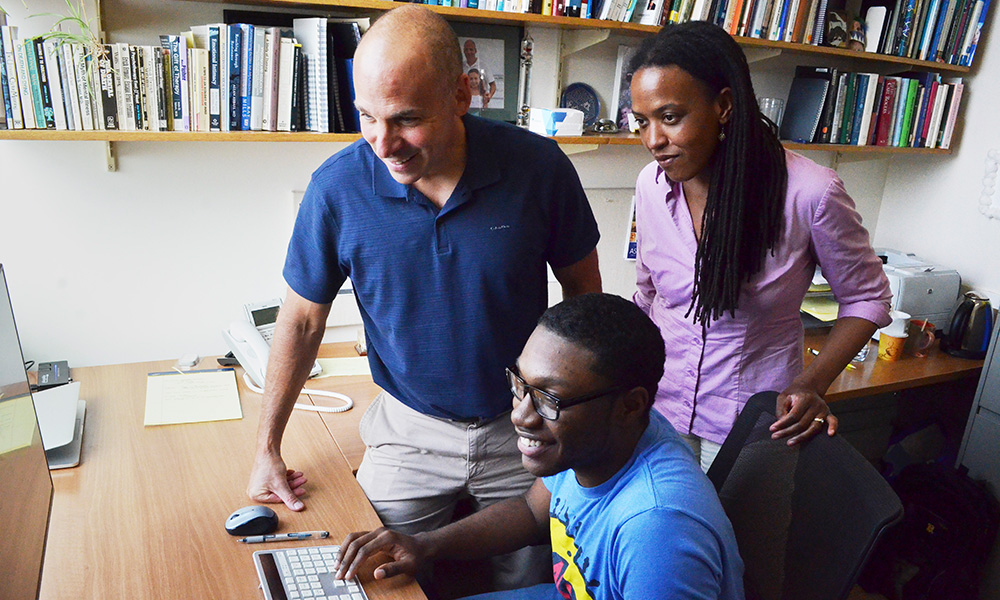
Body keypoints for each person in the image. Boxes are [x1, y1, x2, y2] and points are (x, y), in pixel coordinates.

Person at [245, 4, 602, 592]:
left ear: (462, 95)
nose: (384, 144)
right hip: (408, 430)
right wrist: (267, 449)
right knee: (373, 578)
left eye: (407, 119)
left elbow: (584, 300)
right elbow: (303, 322)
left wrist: (581, 430)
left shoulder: (538, 169)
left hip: (524, 429)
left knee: (536, 584)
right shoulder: (337, 188)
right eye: (367, 117)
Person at [334, 293, 745, 600]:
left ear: (630, 405)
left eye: (549, 399)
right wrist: (423, 545)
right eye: (522, 385)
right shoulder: (606, 439)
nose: (521, 415)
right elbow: (532, 512)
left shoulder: (658, 530)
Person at [628, 21, 892, 471]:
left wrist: (813, 383)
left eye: (670, 117)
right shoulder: (651, 186)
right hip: (661, 406)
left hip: (752, 422)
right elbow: (648, 292)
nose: (653, 140)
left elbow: (868, 298)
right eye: (642, 122)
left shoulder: (809, 193)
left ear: (724, 106)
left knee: (742, 540)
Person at [463, 39, 497, 107]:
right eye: (466, 50)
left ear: (475, 51)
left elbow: (493, 85)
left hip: (481, 104)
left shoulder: (484, 65)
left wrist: (489, 96)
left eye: (471, 49)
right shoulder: (461, 66)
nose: (469, 52)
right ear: (464, 51)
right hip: (466, 103)